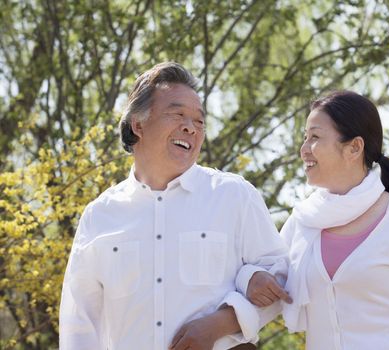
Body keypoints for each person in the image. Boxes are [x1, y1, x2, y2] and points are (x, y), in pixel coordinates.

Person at [59, 62, 291, 350]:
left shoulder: (234, 196)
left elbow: (280, 280)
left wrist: (221, 323)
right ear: (138, 124)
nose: (190, 128)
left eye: (199, 121)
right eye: (178, 114)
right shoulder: (100, 215)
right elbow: (78, 321)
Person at [245, 91, 389, 349]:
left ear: (354, 147)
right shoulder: (302, 222)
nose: (304, 149)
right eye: (305, 138)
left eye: (315, 137)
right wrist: (248, 277)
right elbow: (266, 282)